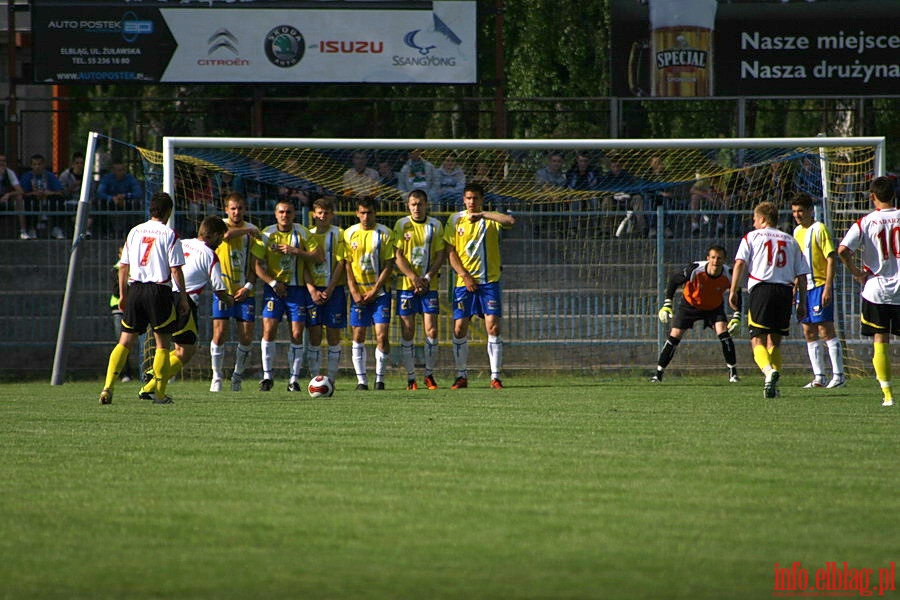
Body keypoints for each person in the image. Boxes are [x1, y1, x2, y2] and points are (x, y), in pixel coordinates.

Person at [99, 192, 189, 405]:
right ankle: (159, 395)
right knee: (162, 345)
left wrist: (123, 295)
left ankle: (107, 388)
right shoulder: (170, 234)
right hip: (159, 292)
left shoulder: (134, 231)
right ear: (168, 212)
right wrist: (183, 297)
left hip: (136, 290)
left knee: (125, 340)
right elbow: (176, 270)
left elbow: (123, 266)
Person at [139, 216, 234, 399]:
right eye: (220, 237)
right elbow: (220, 290)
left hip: (162, 294)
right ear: (213, 235)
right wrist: (232, 301)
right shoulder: (210, 255)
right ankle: (150, 387)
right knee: (185, 352)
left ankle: (155, 371)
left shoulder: (182, 243)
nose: (221, 241)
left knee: (168, 347)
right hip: (184, 301)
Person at [729, 201, 808, 399]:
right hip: (785, 292)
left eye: (755, 219)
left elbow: (739, 263)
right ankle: (774, 385)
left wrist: (733, 290)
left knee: (757, 339)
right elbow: (802, 275)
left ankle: (768, 373)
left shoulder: (752, 237)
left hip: (762, 290)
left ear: (763, 219)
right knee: (775, 342)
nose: (753, 223)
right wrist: (803, 302)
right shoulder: (790, 240)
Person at [444, 182, 516, 389]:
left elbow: (510, 221)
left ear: (482, 199)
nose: (471, 202)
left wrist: (484, 214)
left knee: (492, 326)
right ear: (463, 200)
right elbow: (450, 252)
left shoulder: (490, 218)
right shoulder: (455, 219)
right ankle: (461, 375)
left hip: (489, 282)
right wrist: (464, 275)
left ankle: (495, 377)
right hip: (464, 282)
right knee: (459, 328)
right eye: (468, 198)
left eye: (475, 198)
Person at [837, 176, 900, 407]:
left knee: (880, 340)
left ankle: (888, 395)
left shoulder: (866, 222)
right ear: (894, 195)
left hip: (877, 290)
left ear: (873, 197)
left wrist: (856, 272)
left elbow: (842, 250)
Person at [255, 200, 323, 392]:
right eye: (281, 212)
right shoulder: (267, 234)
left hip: (297, 289)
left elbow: (318, 256)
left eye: (289, 212)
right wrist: (273, 283)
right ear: (276, 214)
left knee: (296, 333)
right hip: (274, 289)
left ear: (294, 214)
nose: (285, 215)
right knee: (269, 330)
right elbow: (257, 265)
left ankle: (294, 380)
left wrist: (295, 251)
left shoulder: (302, 232)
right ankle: (267, 377)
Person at [652, 245, 741, 384]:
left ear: (724, 260)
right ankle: (658, 374)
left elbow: (736, 292)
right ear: (708, 258)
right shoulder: (695, 269)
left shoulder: (728, 274)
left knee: (724, 333)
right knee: (674, 336)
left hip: (714, 308)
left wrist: (737, 315)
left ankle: (733, 373)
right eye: (712, 257)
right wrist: (667, 304)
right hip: (690, 306)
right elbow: (674, 280)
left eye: (719, 258)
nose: (715, 261)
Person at [210, 192, 266, 393]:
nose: (236, 212)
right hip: (222, 291)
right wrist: (247, 231)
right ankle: (217, 377)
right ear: (226, 209)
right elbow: (225, 235)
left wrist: (248, 287)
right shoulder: (219, 225)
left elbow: (254, 264)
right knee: (220, 332)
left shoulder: (252, 231)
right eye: (233, 208)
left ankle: (237, 376)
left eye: (240, 208)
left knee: (246, 335)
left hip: (244, 292)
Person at [393, 189, 446, 390]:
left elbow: (440, 255)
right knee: (408, 332)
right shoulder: (401, 225)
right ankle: (411, 378)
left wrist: (427, 278)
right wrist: (413, 277)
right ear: (408, 205)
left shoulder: (435, 225)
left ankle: (429, 375)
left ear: (426, 205)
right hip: (407, 286)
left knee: (431, 330)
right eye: (413, 204)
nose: (416, 207)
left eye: (420, 204)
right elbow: (397, 255)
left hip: (428, 285)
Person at [791, 192, 845, 388]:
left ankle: (839, 376)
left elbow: (831, 258)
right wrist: (795, 287)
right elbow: (798, 263)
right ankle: (819, 377)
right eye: (795, 211)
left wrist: (828, 287)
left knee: (825, 329)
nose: (797, 215)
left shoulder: (819, 229)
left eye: (801, 211)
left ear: (810, 211)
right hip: (805, 288)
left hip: (820, 285)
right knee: (808, 331)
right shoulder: (796, 232)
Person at [343, 196, 395, 390]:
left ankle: (380, 379)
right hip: (358, 293)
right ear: (357, 213)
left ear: (375, 213)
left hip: (380, 293)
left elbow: (389, 264)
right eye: (362, 213)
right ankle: (361, 381)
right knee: (358, 335)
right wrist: (354, 291)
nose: (365, 216)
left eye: (369, 213)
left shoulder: (385, 234)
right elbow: (347, 265)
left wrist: (375, 290)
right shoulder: (349, 234)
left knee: (382, 335)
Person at [306, 196, 347, 384]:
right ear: (314, 214)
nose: (323, 216)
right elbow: (303, 265)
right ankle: (315, 378)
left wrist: (330, 289)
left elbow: (341, 263)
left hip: (334, 290)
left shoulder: (339, 233)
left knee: (333, 334)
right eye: (320, 213)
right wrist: (312, 289)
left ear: (332, 215)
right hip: (313, 290)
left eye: (326, 213)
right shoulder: (307, 234)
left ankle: (331, 378)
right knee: (314, 334)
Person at [20, 154, 64, 240]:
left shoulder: (50, 176)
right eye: (35, 164)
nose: (37, 167)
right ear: (31, 165)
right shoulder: (26, 177)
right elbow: (22, 193)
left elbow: (60, 192)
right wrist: (33, 193)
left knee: (58, 200)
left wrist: (49, 193)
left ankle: (56, 228)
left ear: (43, 165)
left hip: (47, 198)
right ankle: (31, 229)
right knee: (29, 201)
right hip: (33, 198)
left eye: (39, 164)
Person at [0, 153, 28, 239]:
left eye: (4, 161)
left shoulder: (9, 172)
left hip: (6, 198)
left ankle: (23, 231)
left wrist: (8, 194)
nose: (2, 163)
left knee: (19, 198)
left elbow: (20, 191)